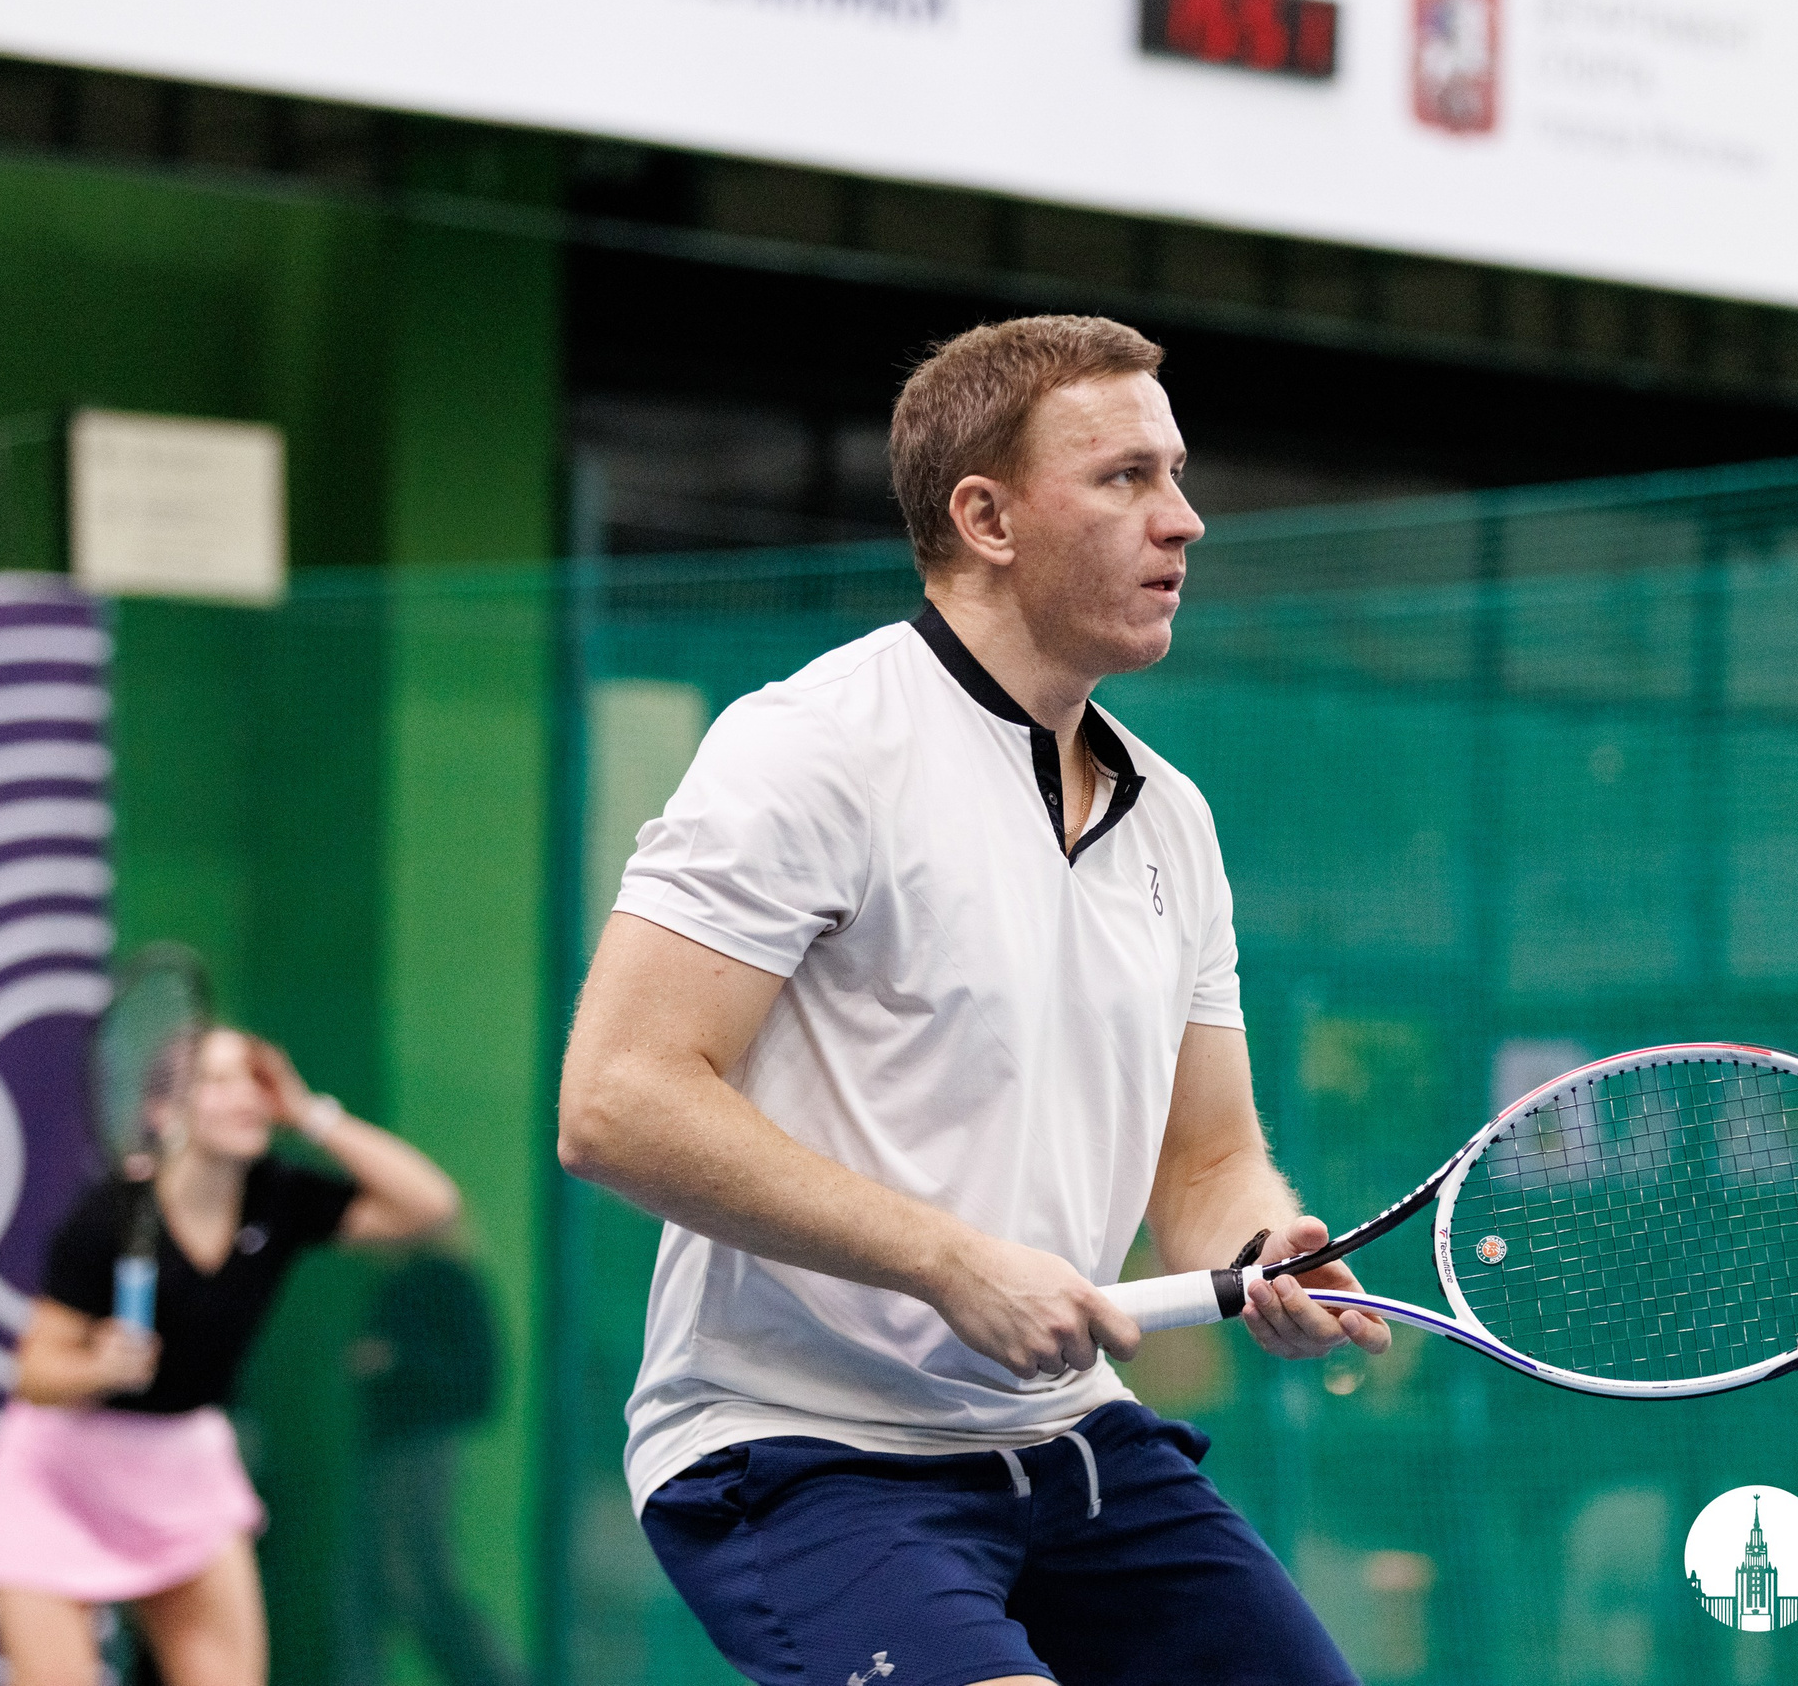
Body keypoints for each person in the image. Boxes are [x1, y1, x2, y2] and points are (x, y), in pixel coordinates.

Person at [558, 313, 1391, 1686]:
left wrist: (1262, 1244)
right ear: (986, 517)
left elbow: (1206, 1159)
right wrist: (953, 1262)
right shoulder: (810, 753)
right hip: (801, 1447)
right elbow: (618, 1102)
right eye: (1126, 478)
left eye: (1176, 476)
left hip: (1067, 1440)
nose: (1182, 522)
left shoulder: (1172, 820)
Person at [0, 1026, 462, 1686]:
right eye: (217, 1080)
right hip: (61, 1475)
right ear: (162, 1113)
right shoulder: (106, 1217)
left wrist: (311, 1113)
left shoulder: (278, 1199)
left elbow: (430, 1206)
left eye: (253, 1079)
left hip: (184, 1469)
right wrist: (97, 1369)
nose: (245, 1096)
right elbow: (33, 1373)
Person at [337, 1241, 522, 1686]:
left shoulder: (445, 1280)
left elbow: (478, 1381)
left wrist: (395, 1361)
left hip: (421, 1449)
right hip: (385, 1450)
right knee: (365, 1589)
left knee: (412, 1582)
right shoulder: (403, 1279)